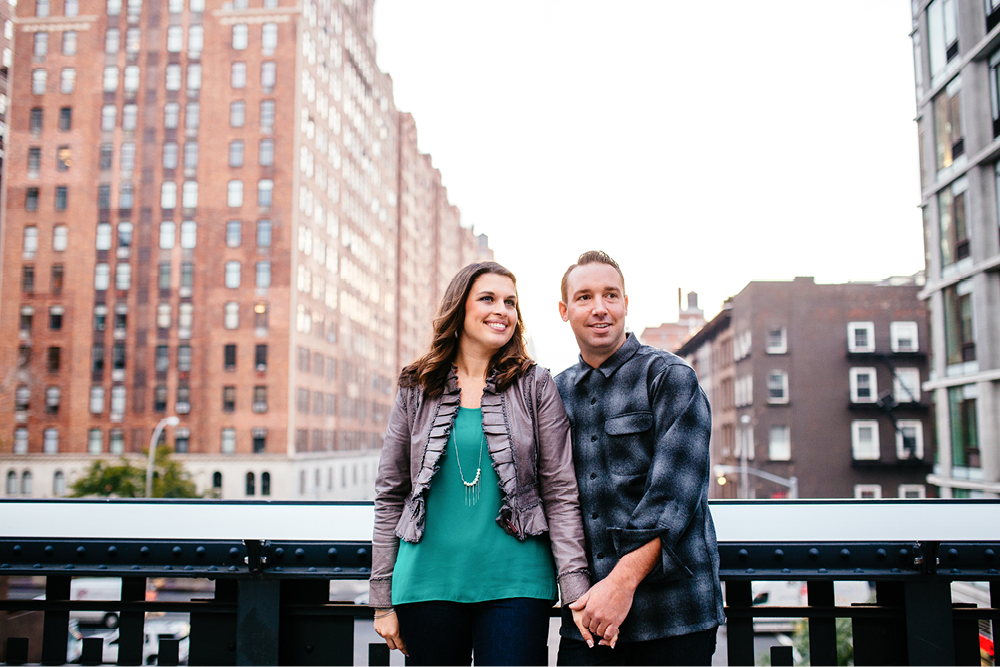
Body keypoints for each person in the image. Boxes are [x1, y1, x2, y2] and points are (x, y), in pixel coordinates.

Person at [370, 261, 592, 666]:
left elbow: (560, 493)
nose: (502, 310)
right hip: (426, 583)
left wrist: (575, 588)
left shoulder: (536, 385)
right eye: (488, 299)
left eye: (510, 302)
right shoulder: (417, 387)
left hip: (517, 583)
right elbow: (390, 495)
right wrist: (382, 599)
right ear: (459, 309)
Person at [554, 250, 725, 666]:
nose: (600, 308)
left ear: (626, 304)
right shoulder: (554, 394)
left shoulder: (670, 378)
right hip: (589, 619)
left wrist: (620, 584)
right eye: (585, 297)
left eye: (611, 295)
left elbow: (673, 496)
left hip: (673, 616)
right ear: (564, 310)